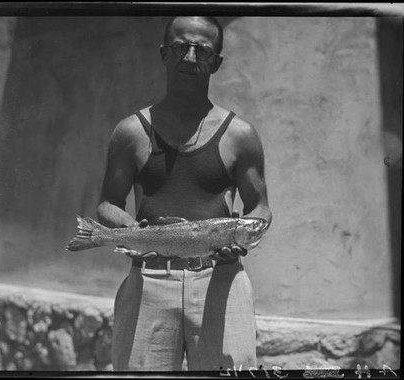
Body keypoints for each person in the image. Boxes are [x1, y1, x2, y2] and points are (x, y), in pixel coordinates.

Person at [97, 16, 272, 371]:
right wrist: (135, 231)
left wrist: (245, 239)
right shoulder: (131, 131)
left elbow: (260, 208)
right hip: (149, 279)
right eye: (180, 47)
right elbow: (108, 203)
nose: (190, 58)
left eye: (203, 51)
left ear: (217, 63)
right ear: (164, 54)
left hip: (221, 280)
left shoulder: (239, 134)